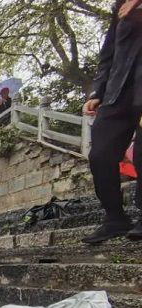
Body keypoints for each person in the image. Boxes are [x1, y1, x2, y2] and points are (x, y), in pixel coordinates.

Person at [81, 0, 142, 244]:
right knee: (100, 154)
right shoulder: (120, 8)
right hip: (118, 91)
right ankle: (115, 217)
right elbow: (107, 55)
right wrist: (97, 92)